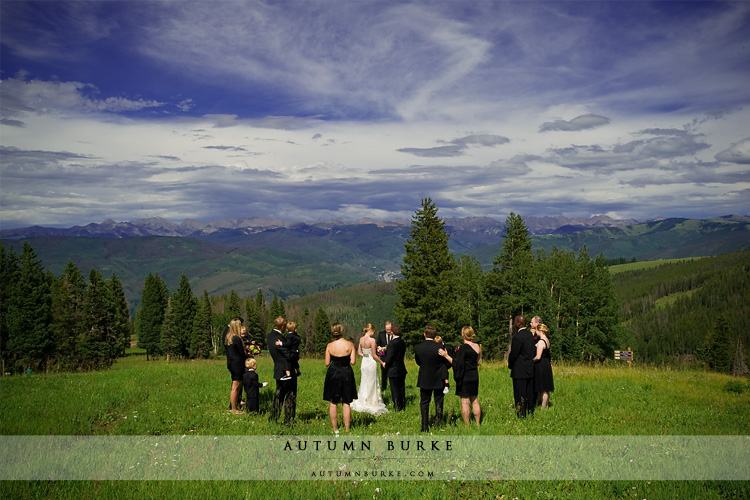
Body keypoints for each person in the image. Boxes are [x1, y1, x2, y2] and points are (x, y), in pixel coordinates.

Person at [414, 325, 452, 432]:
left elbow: (418, 362)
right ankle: (438, 422)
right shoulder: (440, 348)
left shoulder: (418, 347)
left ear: (424, 334)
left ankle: (424, 425)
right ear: (435, 335)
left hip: (424, 377)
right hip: (438, 377)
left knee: (424, 402)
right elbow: (446, 364)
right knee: (439, 400)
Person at [442, 326, 482, 426]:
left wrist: (446, 356)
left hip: (464, 376)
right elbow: (478, 362)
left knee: (465, 402)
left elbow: (457, 364)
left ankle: (467, 426)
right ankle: (478, 424)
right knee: (475, 400)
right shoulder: (477, 346)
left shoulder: (462, 348)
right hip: (474, 375)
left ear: (463, 335)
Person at [323, 323, 357, 433]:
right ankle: (347, 429)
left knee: (333, 401)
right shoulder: (350, 344)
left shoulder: (329, 345)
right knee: (346, 401)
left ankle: (335, 429)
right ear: (342, 331)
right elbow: (353, 362)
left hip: (333, 372)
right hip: (346, 371)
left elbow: (327, 363)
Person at [350, 323, 388, 416]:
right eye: (373, 332)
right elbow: (374, 355)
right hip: (371, 362)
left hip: (364, 362)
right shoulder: (372, 340)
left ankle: (364, 398)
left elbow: (359, 352)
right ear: (371, 331)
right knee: (372, 381)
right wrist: (381, 362)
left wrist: (365, 355)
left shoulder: (361, 339)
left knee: (365, 381)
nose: (374, 333)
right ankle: (371, 400)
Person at [267, 316, 297, 424]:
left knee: (278, 394)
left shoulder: (270, 336)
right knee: (290, 394)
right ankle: (289, 419)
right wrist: (295, 354)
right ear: (283, 327)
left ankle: (274, 417)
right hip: (287, 368)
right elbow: (288, 355)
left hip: (278, 368)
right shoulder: (280, 339)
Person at [508, 315, 536, 418]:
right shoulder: (530, 335)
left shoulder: (518, 338)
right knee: (529, 391)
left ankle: (521, 413)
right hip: (529, 367)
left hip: (519, 369)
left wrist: (510, 365)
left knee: (520, 392)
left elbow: (514, 354)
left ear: (519, 324)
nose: (514, 324)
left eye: (515, 322)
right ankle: (530, 410)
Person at [381, 324, 407, 411]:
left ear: (392, 332)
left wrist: (385, 363)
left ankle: (397, 406)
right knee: (401, 388)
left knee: (395, 389)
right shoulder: (402, 342)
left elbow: (390, 356)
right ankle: (402, 405)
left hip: (393, 369)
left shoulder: (392, 344)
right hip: (401, 368)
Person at [224, 317, 247, 415]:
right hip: (237, 364)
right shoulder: (237, 339)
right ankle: (234, 409)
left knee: (237, 385)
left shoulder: (228, 337)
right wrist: (247, 352)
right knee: (235, 386)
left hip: (231, 363)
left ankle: (235, 406)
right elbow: (241, 353)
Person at [533, 323, 555, 408]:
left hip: (541, 365)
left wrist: (531, 361)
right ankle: (545, 405)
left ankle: (543, 406)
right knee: (546, 387)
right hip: (546, 364)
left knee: (543, 387)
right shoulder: (547, 340)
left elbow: (538, 356)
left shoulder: (541, 342)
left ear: (540, 331)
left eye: (537, 331)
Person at [376, 321, 394, 391]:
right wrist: (380, 349)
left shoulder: (394, 334)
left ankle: (392, 388)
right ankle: (384, 387)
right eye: (387, 330)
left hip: (392, 357)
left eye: (390, 330)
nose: (389, 331)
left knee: (392, 374)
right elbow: (378, 344)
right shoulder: (381, 334)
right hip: (383, 357)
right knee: (384, 374)